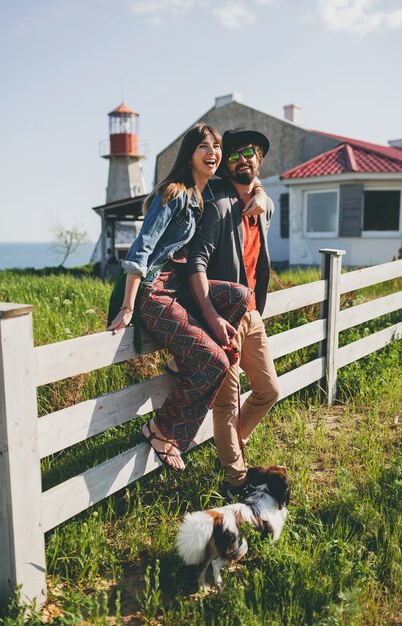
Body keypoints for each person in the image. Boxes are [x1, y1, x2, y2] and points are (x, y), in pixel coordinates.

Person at [108, 123, 265, 471]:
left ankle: (181, 360)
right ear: (189, 154)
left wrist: (261, 193)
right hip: (155, 292)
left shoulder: (203, 194)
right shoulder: (175, 193)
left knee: (239, 295)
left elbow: (251, 183)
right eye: (203, 147)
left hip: (179, 288)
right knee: (217, 363)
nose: (213, 153)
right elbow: (141, 249)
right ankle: (161, 429)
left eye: (217, 147)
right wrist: (128, 306)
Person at [186, 129, 281, 497]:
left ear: (260, 159)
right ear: (226, 165)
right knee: (225, 403)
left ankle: (229, 448)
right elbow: (197, 261)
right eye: (234, 155)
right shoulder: (219, 203)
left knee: (269, 390)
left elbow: (264, 200)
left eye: (249, 153)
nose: (242, 159)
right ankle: (235, 482)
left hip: (253, 314)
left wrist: (260, 193)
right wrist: (210, 316)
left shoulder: (265, 204)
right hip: (222, 317)